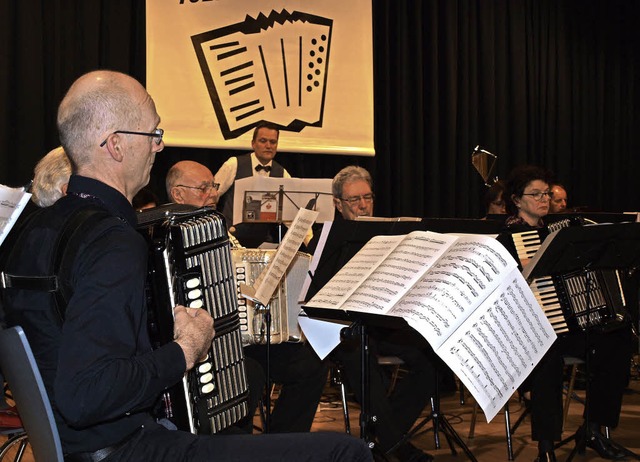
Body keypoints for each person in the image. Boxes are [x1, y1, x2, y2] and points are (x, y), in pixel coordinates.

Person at [0, 70, 371, 462]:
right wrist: (185, 349)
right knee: (345, 453)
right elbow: (87, 395)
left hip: (79, 446)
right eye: (153, 135)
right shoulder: (112, 241)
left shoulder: (32, 228)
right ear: (115, 145)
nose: (159, 147)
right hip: (126, 450)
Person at [167, 159, 329, 435]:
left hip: (243, 339)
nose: (213, 194)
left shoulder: (222, 230)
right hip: (204, 342)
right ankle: (235, 447)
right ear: (177, 194)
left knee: (310, 365)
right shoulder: (170, 236)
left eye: (214, 186)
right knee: (250, 375)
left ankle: (280, 445)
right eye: (203, 187)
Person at [497, 165, 633, 462]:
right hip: (530, 330)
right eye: (535, 194)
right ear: (517, 200)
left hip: (570, 323)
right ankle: (546, 448)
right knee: (547, 356)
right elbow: (503, 293)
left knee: (617, 340)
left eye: (546, 193)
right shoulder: (507, 239)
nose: (543, 199)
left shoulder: (565, 232)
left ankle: (594, 429)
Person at [327, 166, 438, 462]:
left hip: (384, 323)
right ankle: (397, 447)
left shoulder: (389, 235)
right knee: (361, 358)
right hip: (343, 327)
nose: (364, 206)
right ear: (338, 204)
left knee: (430, 362)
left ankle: (384, 436)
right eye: (354, 200)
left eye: (368, 197)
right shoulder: (329, 239)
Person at [214, 122, 291, 247]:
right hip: (230, 238)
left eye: (273, 142)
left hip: (262, 242)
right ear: (253, 144)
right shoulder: (234, 164)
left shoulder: (282, 173)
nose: (268, 146)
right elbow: (212, 195)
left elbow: (290, 213)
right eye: (263, 141)